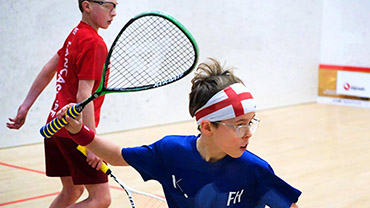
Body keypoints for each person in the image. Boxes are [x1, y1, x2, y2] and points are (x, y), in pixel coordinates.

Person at [57, 58, 302, 208]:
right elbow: (118, 155)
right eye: (239, 124)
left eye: (251, 122)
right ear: (207, 127)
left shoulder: (255, 169)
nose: (248, 133)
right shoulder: (170, 153)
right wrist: (78, 131)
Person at [6, 0, 118, 207]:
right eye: (108, 6)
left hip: (54, 128)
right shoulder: (94, 43)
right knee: (101, 199)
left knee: (72, 191)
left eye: (115, 7)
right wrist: (91, 144)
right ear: (87, 6)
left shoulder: (75, 34)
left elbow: (49, 68)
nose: (114, 13)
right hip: (73, 133)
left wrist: (25, 106)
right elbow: (83, 95)